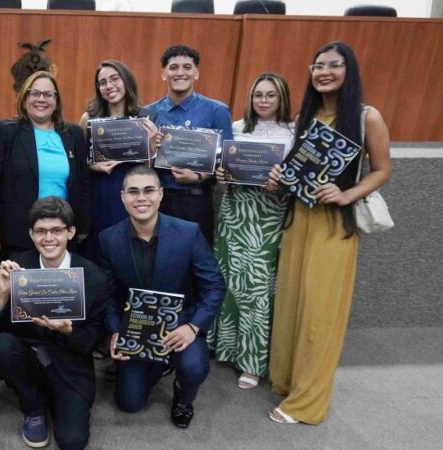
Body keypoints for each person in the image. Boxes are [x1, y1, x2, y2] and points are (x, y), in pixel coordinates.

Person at [265, 41, 391, 425]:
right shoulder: (307, 115)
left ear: (348, 70)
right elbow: (298, 171)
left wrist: (346, 193)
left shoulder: (368, 116)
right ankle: (288, 382)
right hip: (299, 220)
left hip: (334, 225)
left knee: (320, 314)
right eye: (317, 66)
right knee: (291, 305)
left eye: (333, 65)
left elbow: (382, 170)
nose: (324, 72)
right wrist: (278, 180)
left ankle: (307, 403)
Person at [99, 165, 225, 429]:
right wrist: (114, 332)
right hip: (136, 327)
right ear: (122, 197)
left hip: (181, 323)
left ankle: (184, 395)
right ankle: (159, 364)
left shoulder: (188, 232)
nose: (141, 198)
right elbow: (108, 296)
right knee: (129, 404)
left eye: (148, 191)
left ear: (160, 194)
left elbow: (214, 285)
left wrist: (193, 327)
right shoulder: (108, 239)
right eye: (133, 192)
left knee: (194, 367)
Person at [0, 197, 109, 450]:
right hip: (29, 357)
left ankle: (53, 397)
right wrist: (2, 295)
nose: (49, 238)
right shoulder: (18, 266)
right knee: (1, 346)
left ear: (71, 232)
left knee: (72, 441)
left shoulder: (93, 276)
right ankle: (33, 407)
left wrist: (69, 330)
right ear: (31, 234)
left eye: (57, 230)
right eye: (41, 231)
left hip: (70, 363)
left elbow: (93, 339)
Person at [207, 72, 295, 389]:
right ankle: (225, 347)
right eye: (258, 94)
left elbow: (298, 182)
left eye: (271, 95)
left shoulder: (294, 133)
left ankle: (253, 361)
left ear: (282, 98)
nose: (263, 100)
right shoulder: (238, 129)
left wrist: (282, 184)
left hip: (266, 216)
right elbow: (224, 169)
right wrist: (220, 173)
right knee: (228, 281)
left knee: (257, 290)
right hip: (233, 213)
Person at [0, 70, 90, 258]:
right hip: (16, 233)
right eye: (35, 93)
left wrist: (83, 226)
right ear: (24, 98)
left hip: (62, 232)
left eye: (48, 94)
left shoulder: (74, 134)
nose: (41, 99)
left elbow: (84, 183)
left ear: (56, 101)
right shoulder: (6, 132)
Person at [146, 44, 234, 245]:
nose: (180, 73)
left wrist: (199, 176)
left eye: (187, 67)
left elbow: (228, 164)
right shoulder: (149, 113)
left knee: (197, 261)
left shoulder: (217, 111)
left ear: (196, 73)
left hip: (198, 201)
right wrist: (151, 149)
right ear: (164, 74)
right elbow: (140, 163)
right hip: (158, 202)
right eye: (173, 67)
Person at [78, 59, 158, 258]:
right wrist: (93, 166)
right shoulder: (88, 119)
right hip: (101, 192)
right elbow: (77, 163)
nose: (109, 86)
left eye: (115, 79)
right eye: (103, 82)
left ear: (126, 81)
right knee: (98, 250)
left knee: (129, 252)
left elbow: (153, 168)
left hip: (134, 194)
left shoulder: (147, 118)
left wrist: (153, 144)